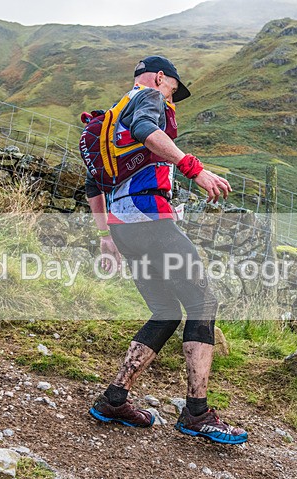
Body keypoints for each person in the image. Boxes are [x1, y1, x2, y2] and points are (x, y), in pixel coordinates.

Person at [84, 55, 248, 444]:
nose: (173, 100)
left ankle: (114, 399)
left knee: (164, 311)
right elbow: (146, 129)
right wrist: (195, 168)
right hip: (151, 223)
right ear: (161, 78)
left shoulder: (109, 118)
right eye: (174, 89)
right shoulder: (148, 98)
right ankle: (196, 413)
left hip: (126, 228)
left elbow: (94, 183)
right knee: (203, 304)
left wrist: (107, 236)